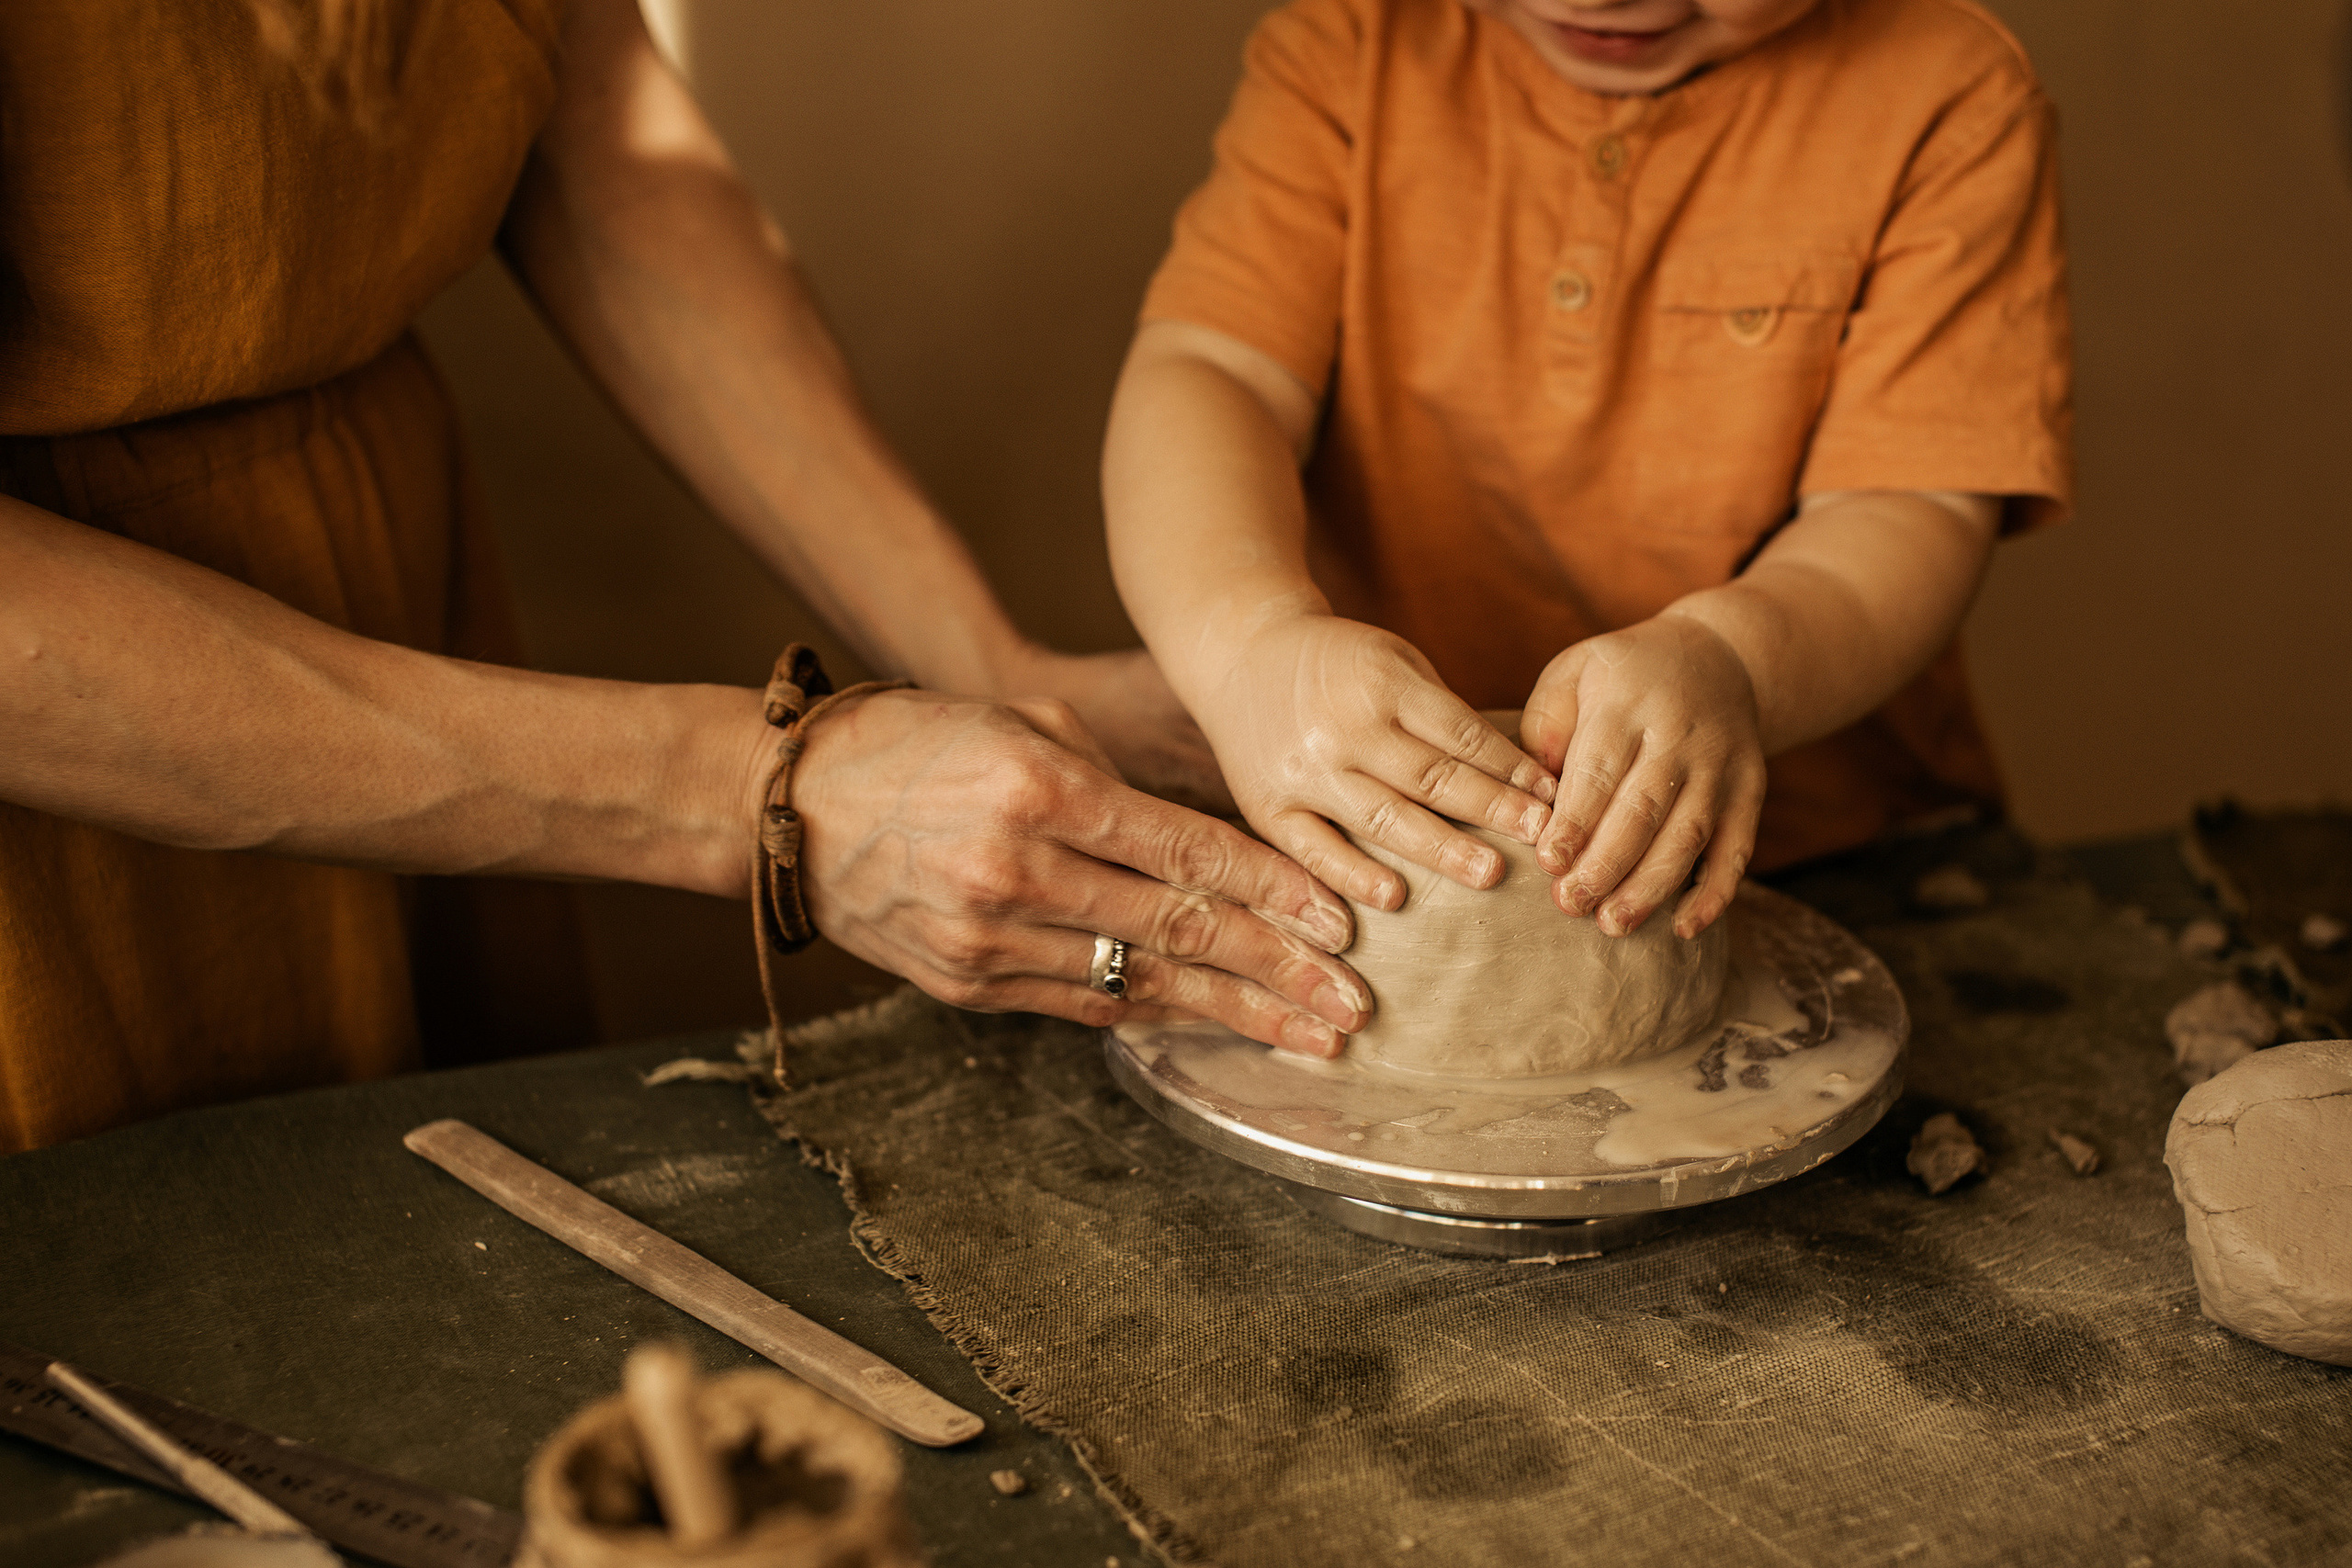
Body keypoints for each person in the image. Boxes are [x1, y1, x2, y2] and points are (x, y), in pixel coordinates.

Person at [0, 0, 1370, 1156]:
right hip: (80, 744)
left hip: (384, 570)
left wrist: (992, 669)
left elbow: (588, 130)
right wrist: (757, 795)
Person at [1103, 0, 2071, 943]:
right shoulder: (1349, 41)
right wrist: (1247, 647)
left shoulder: (1947, 91)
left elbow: (1903, 504)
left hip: (1828, 855)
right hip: (1377, 839)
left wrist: (1733, 659)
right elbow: (1212, 375)